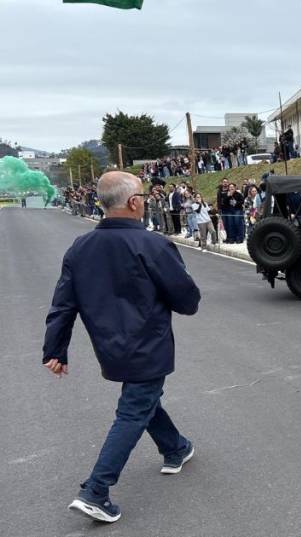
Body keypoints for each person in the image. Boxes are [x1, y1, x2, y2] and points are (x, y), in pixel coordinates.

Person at [44, 172, 200, 523]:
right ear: (133, 202)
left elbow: (63, 304)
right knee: (133, 410)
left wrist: (55, 350)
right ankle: (96, 491)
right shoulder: (153, 244)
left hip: (108, 346)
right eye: (142, 196)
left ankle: (175, 447)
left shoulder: (80, 247)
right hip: (149, 344)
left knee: (143, 399)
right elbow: (187, 301)